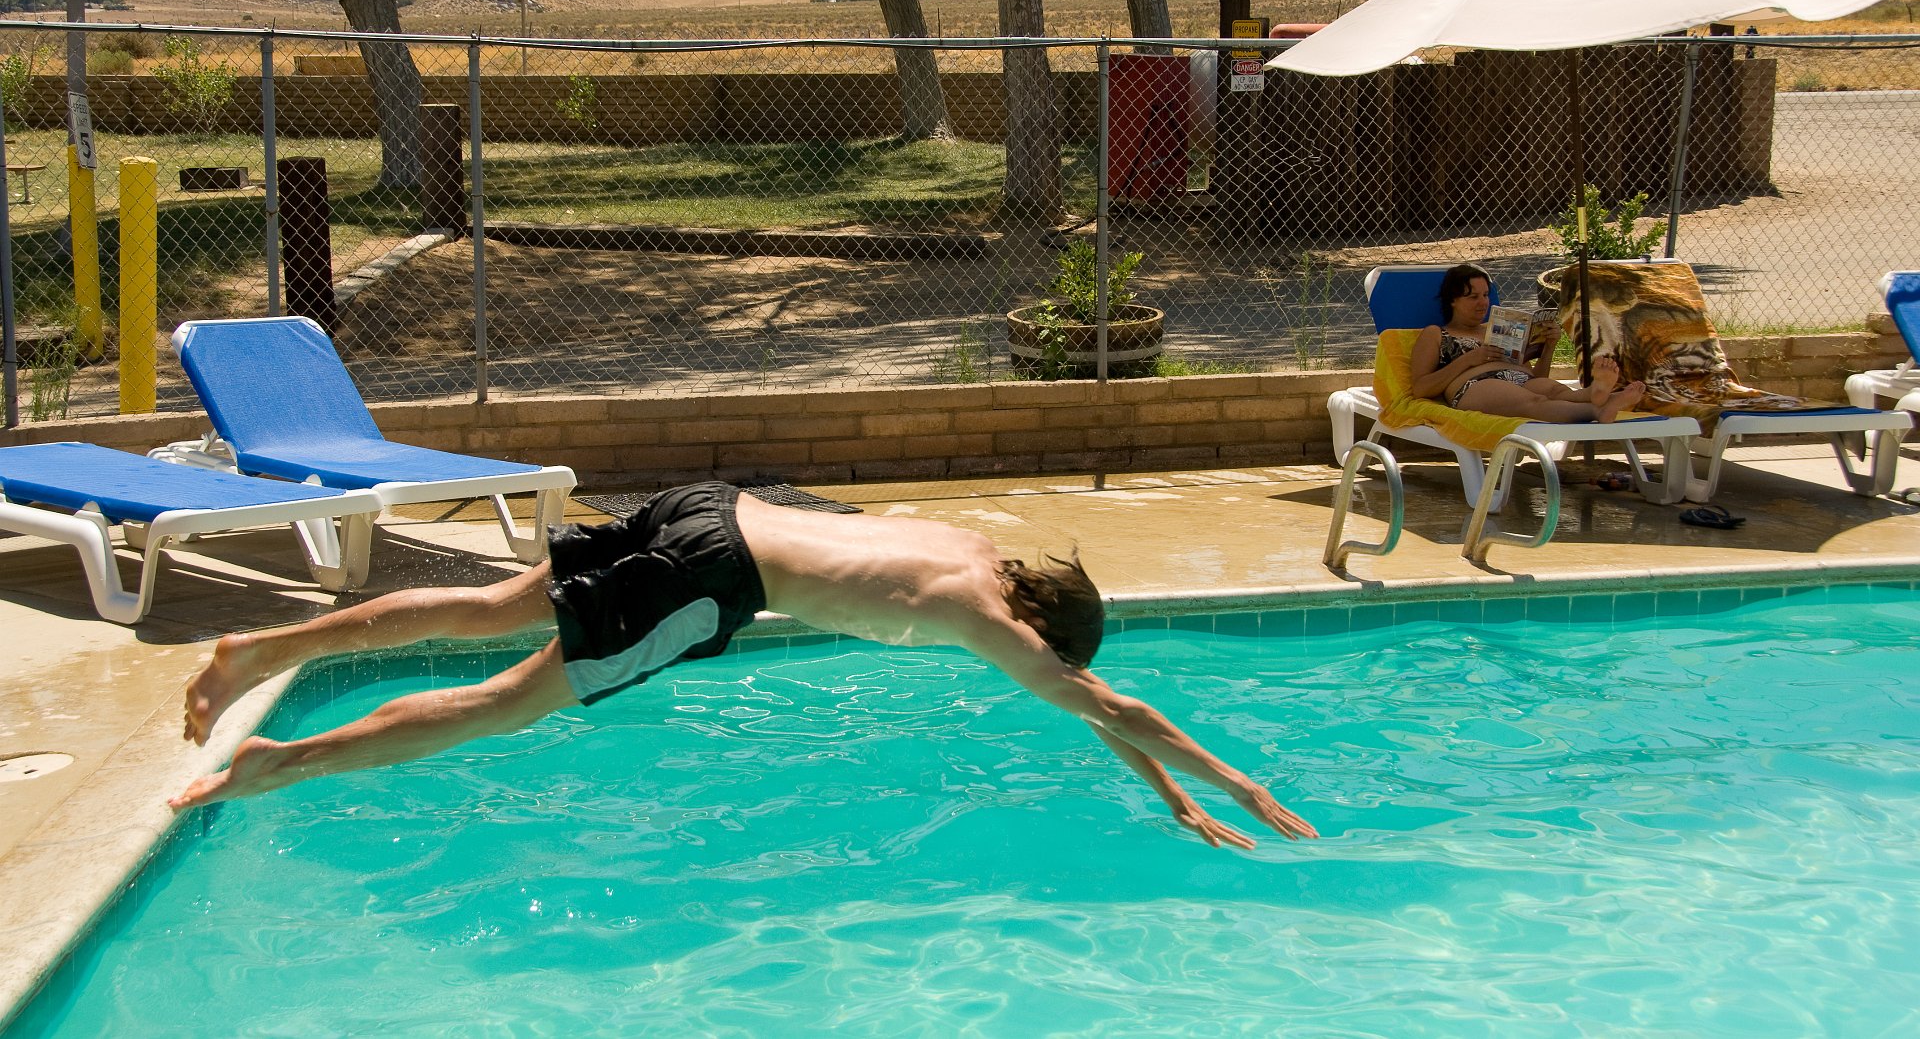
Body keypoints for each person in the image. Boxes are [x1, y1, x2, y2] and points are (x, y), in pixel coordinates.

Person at [171, 483, 1317, 849]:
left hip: (708, 506)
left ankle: (268, 645)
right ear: (1042, 631)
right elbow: (1110, 703)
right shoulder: (986, 620)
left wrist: (1167, 796)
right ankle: (280, 763)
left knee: (480, 608)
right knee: (498, 706)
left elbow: (1092, 709)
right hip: (711, 582)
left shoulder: (969, 549)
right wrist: (1238, 786)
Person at [1411, 262, 1644, 423]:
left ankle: (1597, 393)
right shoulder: (1436, 333)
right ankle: (1597, 409)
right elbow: (1421, 388)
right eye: (1473, 297)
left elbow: (1535, 375)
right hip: (1476, 384)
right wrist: (1470, 360)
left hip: (1521, 378)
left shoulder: (1498, 327)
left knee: (1555, 390)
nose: (1483, 303)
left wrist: (1548, 347)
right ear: (1452, 300)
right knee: (1535, 402)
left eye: (1485, 295)